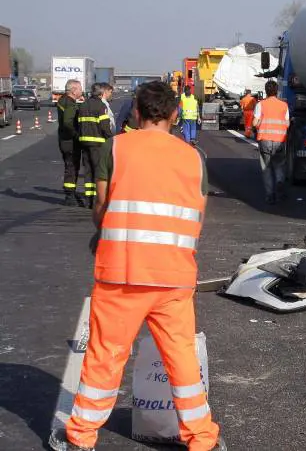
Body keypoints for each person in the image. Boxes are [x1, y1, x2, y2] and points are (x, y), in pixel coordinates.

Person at [49, 81, 226, 451]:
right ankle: (202, 438)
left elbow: (101, 206)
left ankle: (81, 436)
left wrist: (106, 230)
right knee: (181, 359)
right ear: (175, 114)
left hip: (121, 275)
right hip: (174, 276)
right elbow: (197, 215)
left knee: (105, 356)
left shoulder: (116, 147)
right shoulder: (193, 157)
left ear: (136, 112)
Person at [77, 83, 115, 208]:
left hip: (84, 143)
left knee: (88, 171)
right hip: (97, 143)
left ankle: (88, 199)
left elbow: (78, 124)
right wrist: (111, 138)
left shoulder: (83, 105)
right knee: (98, 171)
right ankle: (97, 200)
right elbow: (104, 126)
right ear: (101, 93)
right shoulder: (101, 106)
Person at [252, 80, 289, 205]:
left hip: (265, 140)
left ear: (266, 91)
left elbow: (255, 123)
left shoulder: (261, 104)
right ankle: (279, 182)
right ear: (276, 91)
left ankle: (269, 196)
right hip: (279, 140)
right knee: (279, 165)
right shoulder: (284, 105)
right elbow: (287, 123)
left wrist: (259, 124)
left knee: (266, 168)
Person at [57, 79, 85, 207]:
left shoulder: (63, 100)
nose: (82, 91)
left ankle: (71, 192)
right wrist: (76, 135)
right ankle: (69, 195)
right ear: (73, 90)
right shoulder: (69, 103)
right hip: (69, 141)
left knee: (71, 166)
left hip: (64, 139)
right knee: (72, 167)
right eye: (80, 89)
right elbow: (68, 122)